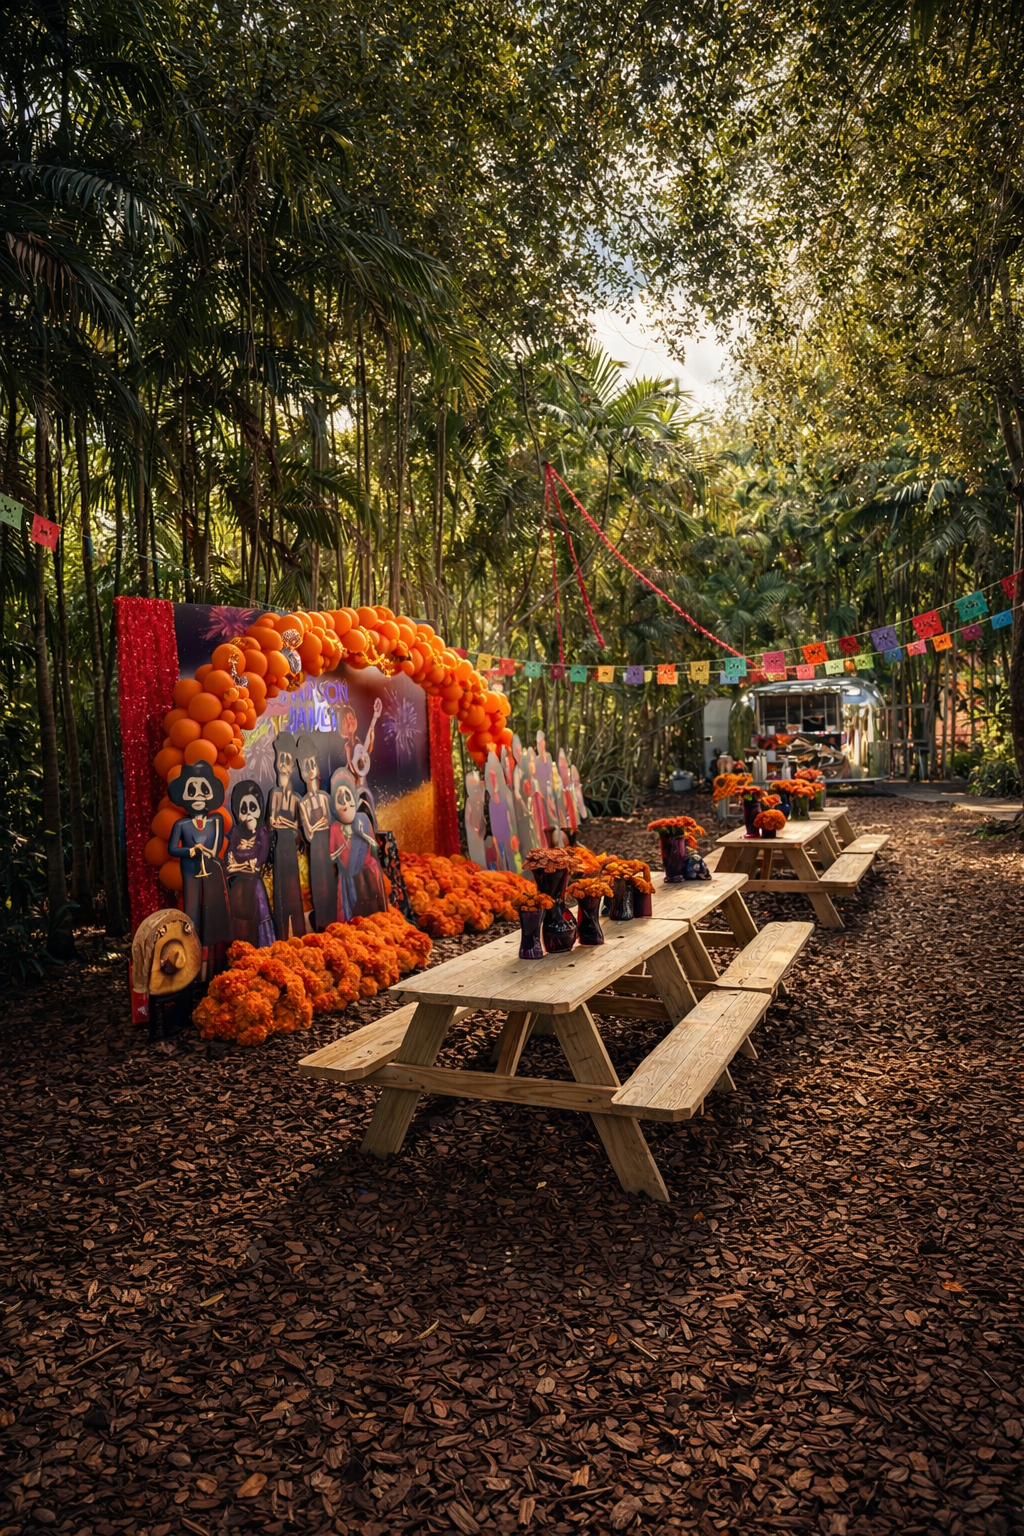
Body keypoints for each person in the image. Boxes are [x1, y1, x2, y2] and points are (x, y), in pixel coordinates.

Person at [165, 761, 232, 976]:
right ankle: (192, 961)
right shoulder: (181, 825)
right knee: (192, 912)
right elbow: (172, 849)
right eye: (192, 790)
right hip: (190, 871)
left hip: (210, 871)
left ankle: (214, 961)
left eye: (203, 789)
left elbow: (216, 848)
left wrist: (207, 853)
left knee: (212, 913)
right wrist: (191, 851)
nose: (198, 796)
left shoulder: (216, 821)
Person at [329, 767, 386, 921]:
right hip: (348, 886)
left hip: (368, 881)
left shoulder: (363, 819)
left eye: (348, 797)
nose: (346, 804)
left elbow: (375, 850)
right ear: (334, 806)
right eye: (340, 800)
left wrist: (363, 835)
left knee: (373, 917)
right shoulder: (335, 828)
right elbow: (332, 857)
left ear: (354, 797)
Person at [226, 780, 275, 948]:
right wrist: (244, 865)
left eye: (252, 808)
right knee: (239, 922)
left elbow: (257, 862)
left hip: (255, 887)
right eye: (244, 809)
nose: (248, 813)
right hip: (238, 888)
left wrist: (240, 864)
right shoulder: (236, 833)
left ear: (260, 809)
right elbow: (230, 862)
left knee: (258, 918)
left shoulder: (261, 833)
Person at [296, 734, 336, 931]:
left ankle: (333, 921)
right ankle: (320, 924)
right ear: (302, 771)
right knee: (318, 887)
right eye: (307, 766)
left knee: (330, 884)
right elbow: (309, 835)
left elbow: (330, 824)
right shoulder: (303, 803)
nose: (311, 769)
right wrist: (317, 826)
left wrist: (318, 825)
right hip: (315, 853)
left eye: (313, 764)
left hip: (327, 848)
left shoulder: (325, 798)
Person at [268, 730, 305, 938]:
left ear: (292, 766)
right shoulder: (274, 794)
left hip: (291, 848)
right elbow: (271, 822)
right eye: (281, 759)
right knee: (281, 890)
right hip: (279, 849)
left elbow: (298, 826)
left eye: (287, 761)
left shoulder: (297, 798)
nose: (283, 764)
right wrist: (284, 824)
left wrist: (286, 824)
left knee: (294, 889)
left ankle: (298, 931)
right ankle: (282, 934)